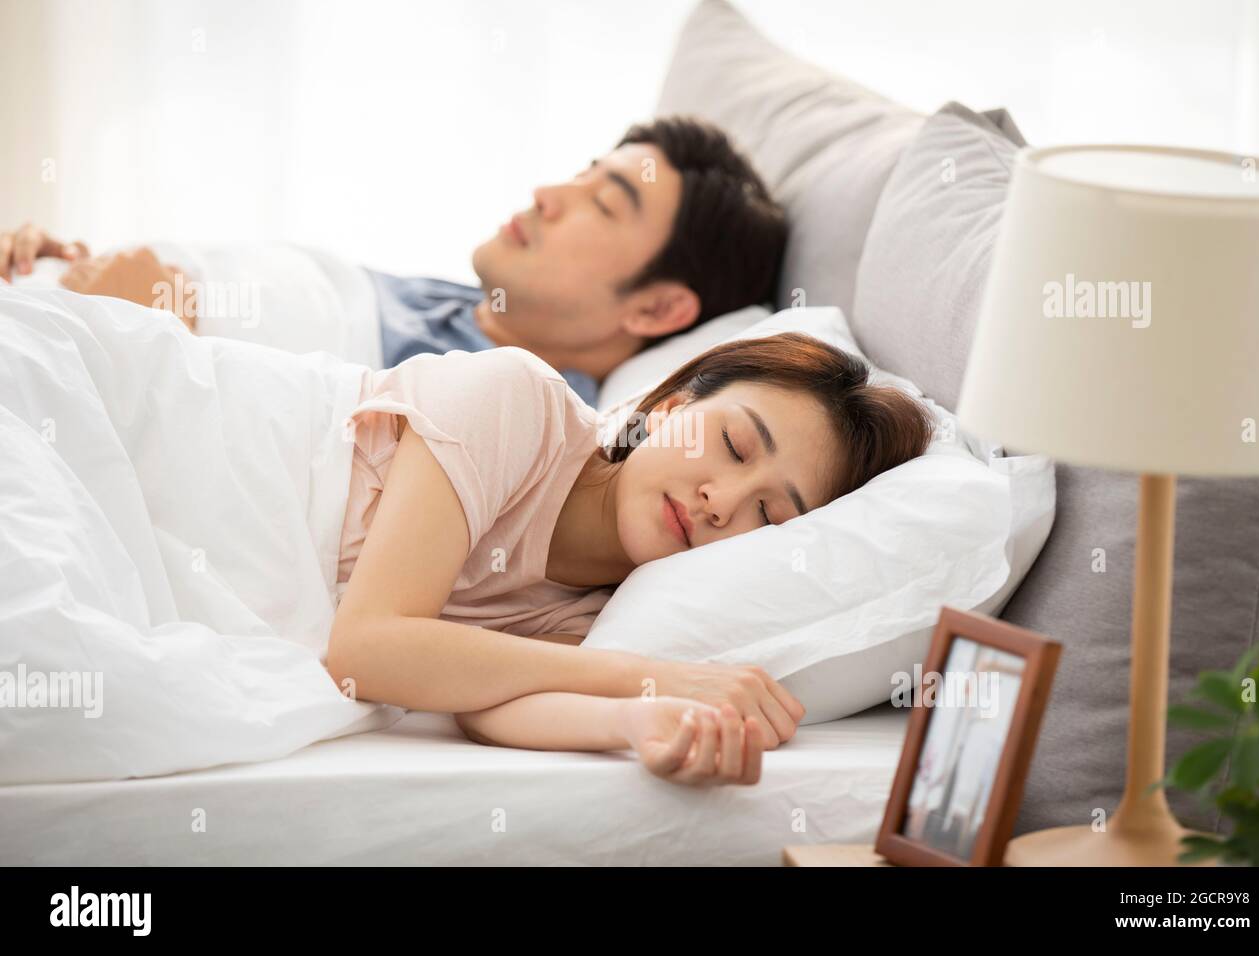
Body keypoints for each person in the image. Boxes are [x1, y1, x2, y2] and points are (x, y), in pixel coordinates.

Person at [326, 330, 934, 787]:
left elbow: (487, 707)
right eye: (731, 445)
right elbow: (367, 649)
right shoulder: (516, 401)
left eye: (770, 515)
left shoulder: (603, 616)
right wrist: (653, 678)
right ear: (669, 409)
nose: (719, 503)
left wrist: (641, 721)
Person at [0, 117, 787, 407]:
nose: (549, 192)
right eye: (579, 171)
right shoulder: (439, 303)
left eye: (602, 201)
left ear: (655, 310)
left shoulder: (524, 419)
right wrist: (55, 265)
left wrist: (134, 326)